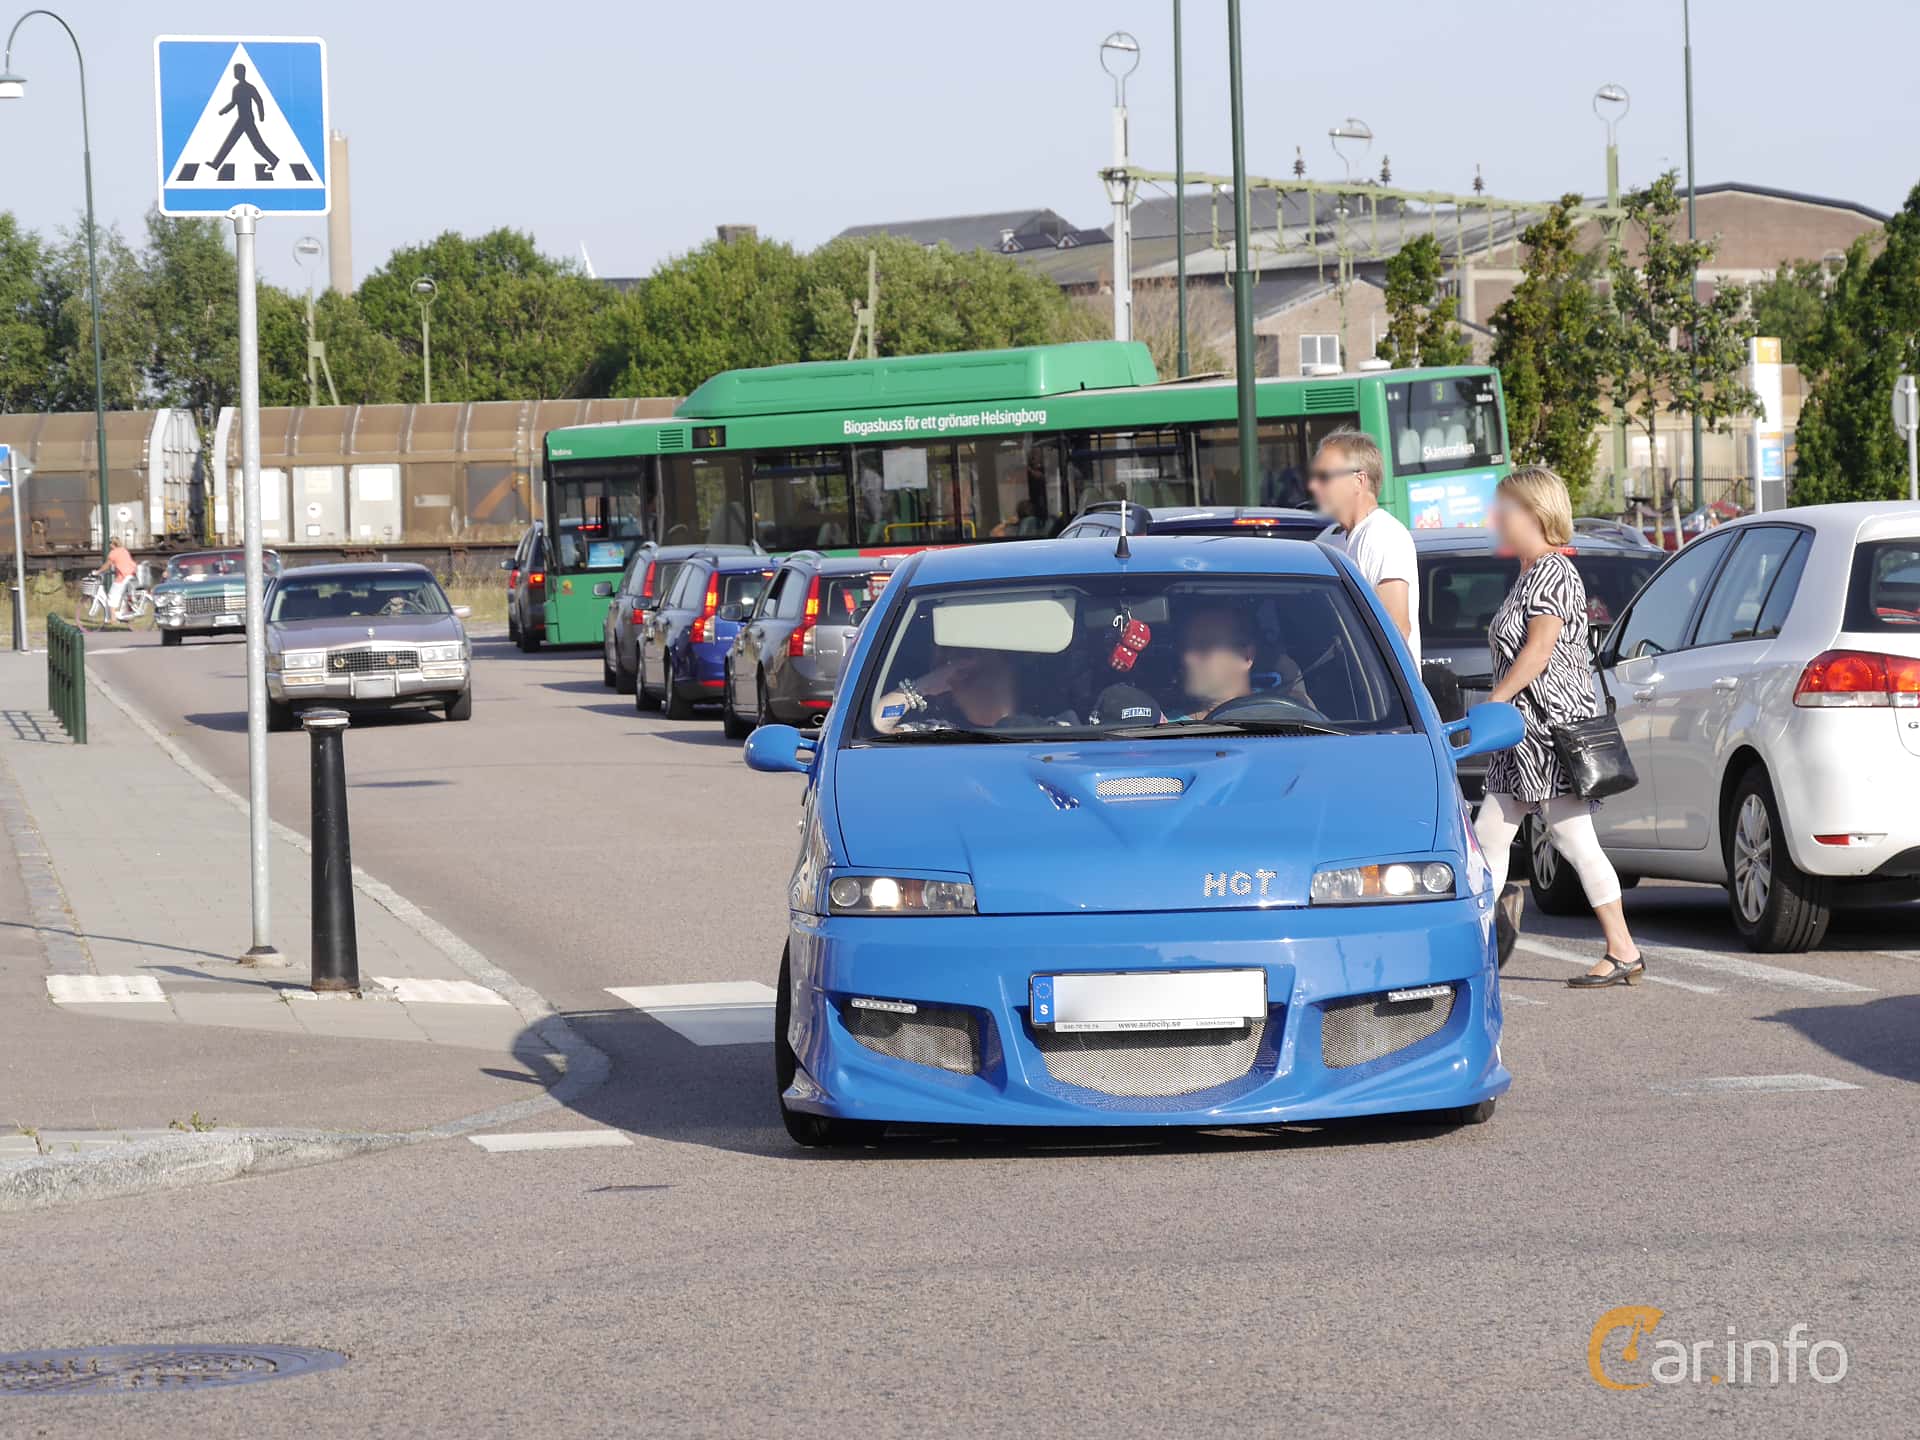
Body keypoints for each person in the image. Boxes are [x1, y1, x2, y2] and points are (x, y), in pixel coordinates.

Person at [1470, 466, 1644, 988]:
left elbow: (1539, 651)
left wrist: (1494, 701)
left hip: (1546, 732)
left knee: (1572, 838)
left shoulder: (1553, 572)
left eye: (1505, 510)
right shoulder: (1528, 574)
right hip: (1518, 736)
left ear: (1534, 513)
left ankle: (1623, 948)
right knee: (1489, 837)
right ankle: (1477, 949)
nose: (1496, 519)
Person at [1310, 429, 1421, 661]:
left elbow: (1397, 629)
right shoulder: (1331, 540)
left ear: (1358, 481)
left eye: (1324, 477)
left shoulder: (1383, 535)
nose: (1314, 486)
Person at [871, 650, 1020, 734]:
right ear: (953, 697)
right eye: (967, 676)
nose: (982, 683)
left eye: (988, 670)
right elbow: (877, 725)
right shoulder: (938, 732)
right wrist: (921, 686)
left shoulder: (1034, 731)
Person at [99, 538, 137, 620]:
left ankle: (113, 619)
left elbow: (107, 565)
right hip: (132, 575)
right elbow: (124, 563)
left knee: (111, 596)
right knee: (122, 596)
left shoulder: (113, 553)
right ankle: (124, 613)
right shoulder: (124, 550)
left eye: (109, 543)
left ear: (112, 544)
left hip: (122, 577)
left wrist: (98, 572)